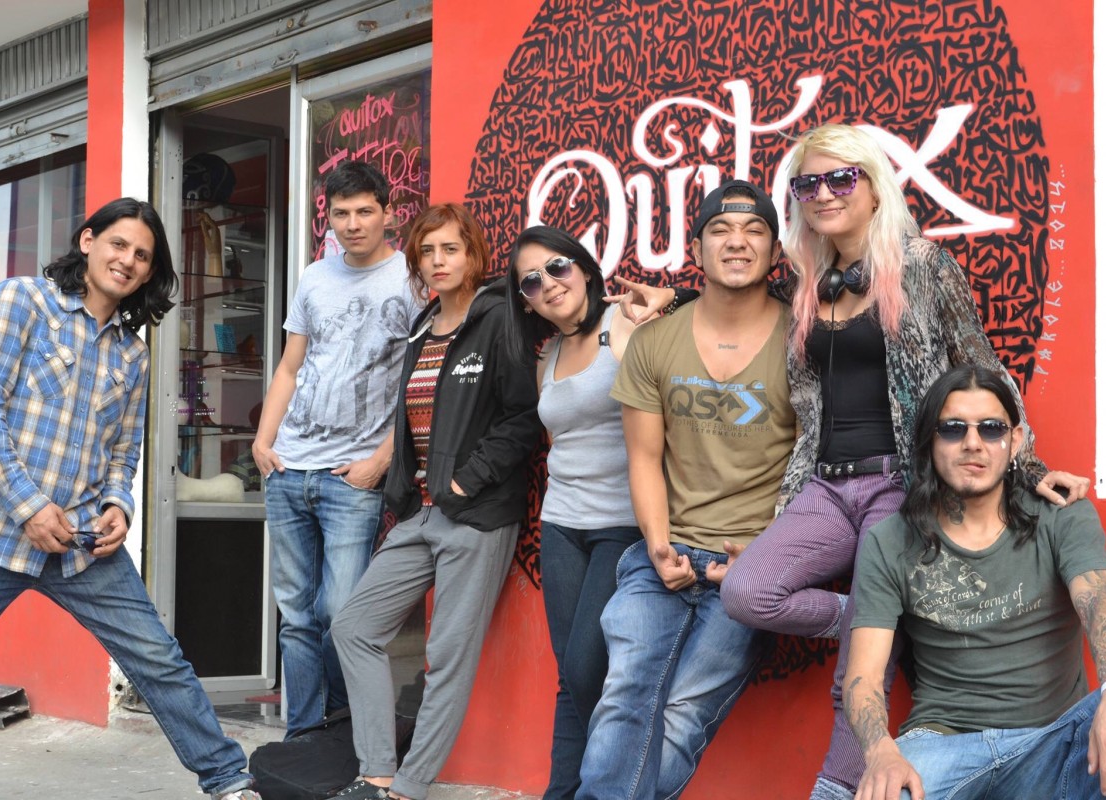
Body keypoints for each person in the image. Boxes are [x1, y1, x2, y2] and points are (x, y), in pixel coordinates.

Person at [701, 124, 1088, 800]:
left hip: (898, 483)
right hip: (825, 486)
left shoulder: (924, 265)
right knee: (746, 592)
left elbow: (982, 368)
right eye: (808, 183)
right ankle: (878, 614)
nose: (824, 193)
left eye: (840, 178)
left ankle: (835, 789)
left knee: (858, 675)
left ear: (874, 186)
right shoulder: (807, 282)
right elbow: (762, 340)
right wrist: (675, 301)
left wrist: (1028, 468)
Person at [0, 198, 260, 800]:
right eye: (119, 244)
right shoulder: (21, 301)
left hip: (81, 544)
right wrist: (30, 506)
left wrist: (119, 507)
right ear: (88, 241)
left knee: (157, 658)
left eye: (143, 255)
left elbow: (123, 452)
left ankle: (229, 780)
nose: (128, 261)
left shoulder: (132, 354)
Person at [573, 180, 795, 800]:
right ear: (696, 248)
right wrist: (657, 542)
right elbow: (644, 458)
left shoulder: (804, 340)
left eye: (754, 231)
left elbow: (812, 467)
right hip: (662, 553)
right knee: (625, 695)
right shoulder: (654, 341)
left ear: (776, 252)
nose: (737, 242)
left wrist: (772, 559)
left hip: (751, 565)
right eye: (721, 230)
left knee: (684, 715)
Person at [845, 364, 1106, 800]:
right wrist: (879, 751)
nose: (973, 443)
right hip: (942, 745)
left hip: (1055, 742)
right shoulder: (890, 541)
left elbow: (1101, 608)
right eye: (953, 429)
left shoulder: (1060, 515)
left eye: (991, 428)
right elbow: (863, 677)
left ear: (1014, 440)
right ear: (929, 441)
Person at [330, 203, 542, 800]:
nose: (438, 261)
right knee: (354, 628)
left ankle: (409, 786)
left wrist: (467, 482)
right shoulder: (424, 326)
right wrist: (405, 489)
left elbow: (523, 417)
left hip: (475, 515)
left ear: (474, 254)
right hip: (420, 511)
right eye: (427, 251)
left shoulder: (499, 318)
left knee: (447, 655)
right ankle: (376, 771)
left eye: (451, 249)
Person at [252, 161, 421, 737]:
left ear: (388, 214)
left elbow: (422, 382)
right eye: (341, 213)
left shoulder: (411, 281)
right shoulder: (314, 277)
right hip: (287, 467)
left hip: (352, 476)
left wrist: (381, 461)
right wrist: (263, 441)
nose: (353, 224)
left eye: (365, 211)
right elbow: (290, 366)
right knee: (295, 616)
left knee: (340, 612)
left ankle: (344, 724)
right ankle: (303, 736)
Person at [502, 225, 645, 799]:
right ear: (526, 302)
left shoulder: (624, 326)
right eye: (531, 281)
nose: (549, 284)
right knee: (572, 674)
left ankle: (618, 784)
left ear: (584, 269)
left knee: (589, 668)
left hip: (622, 522)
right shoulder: (548, 354)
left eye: (558, 267)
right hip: (562, 523)